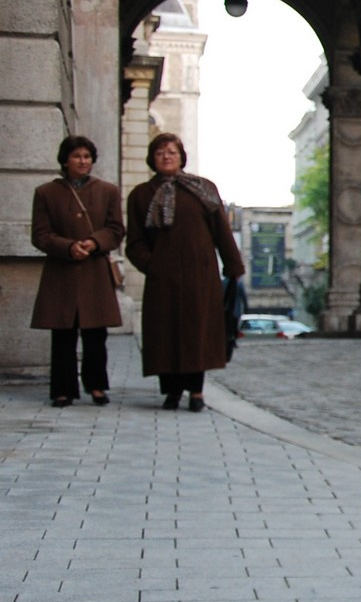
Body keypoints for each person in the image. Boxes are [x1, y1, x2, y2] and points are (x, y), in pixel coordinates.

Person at [125, 133, 246, 411]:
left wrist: (233, 266)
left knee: (197, 333)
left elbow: (221, 231)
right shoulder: (141, 195)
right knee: (165, 334)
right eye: (160, 153)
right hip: (162, 278)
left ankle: (196, 391)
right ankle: (171, 391)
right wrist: (152, 265)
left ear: (181, 157)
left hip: (199, 275)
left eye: (172, 152)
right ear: (152, 159)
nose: (166, 157)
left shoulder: (202, 188)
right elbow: (135, 241)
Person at [31, 135, 125, 407]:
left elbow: (116, 229)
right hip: (61, 273)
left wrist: (95, 242)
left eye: (87, 156)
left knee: (96, 334)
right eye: (76, 156)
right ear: (65, 160)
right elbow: (40, 235)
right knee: (63, 335)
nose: (82, 161)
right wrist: (68, 247)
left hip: (95, 271)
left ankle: (96, 386)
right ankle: (62, 389)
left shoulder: (108, 191)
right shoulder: (46, 193)